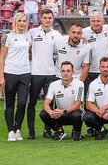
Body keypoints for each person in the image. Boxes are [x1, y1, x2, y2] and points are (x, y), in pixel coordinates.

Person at [26, 10, 61, 139]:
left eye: (50, 18)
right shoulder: (32, 32)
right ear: (40, 19)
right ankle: (31, 131)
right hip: (35, 73)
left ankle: (48, 130)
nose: (47, 20)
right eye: (45, 18)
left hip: (51, 73)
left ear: (53, 19)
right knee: (32, 103)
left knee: (49, 104)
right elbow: (25, 47)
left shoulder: (57, 34)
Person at [0, 13, 31, 141]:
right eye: (20, 21)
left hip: (25, 73)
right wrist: (1, 76)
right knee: (10, 103)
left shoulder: (28, 36)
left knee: (23, 102)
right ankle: (10, 131)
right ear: (15, 22)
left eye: (24, 21)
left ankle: (18, 129)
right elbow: (2, 57)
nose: (23, 23)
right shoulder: (8, 37)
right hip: (10, 72)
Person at [40, 61, 84, 141]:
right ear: (60, 72)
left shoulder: (80, 84)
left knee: (78, 114)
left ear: (72, 72)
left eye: (68, 71)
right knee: (43, 114)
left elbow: (78, 105)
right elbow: (46, 104)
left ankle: (77, 132)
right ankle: (59, 131)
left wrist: (63, 111)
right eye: (63, 71)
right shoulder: (53, 85)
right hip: (59, 115)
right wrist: (51, 113)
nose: (65, 73)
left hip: (72, 114)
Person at [84, 12, 108, 91]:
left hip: (105, 70)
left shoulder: (107, 29)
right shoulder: (84, 32)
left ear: (103, 21)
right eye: (93, 21)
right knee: (89, 96)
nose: (96, 23)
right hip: (90, 70)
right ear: (90, 22)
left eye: (98, 21)